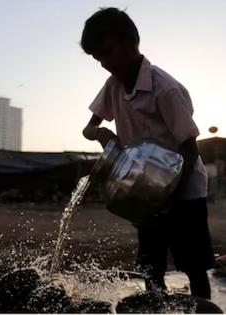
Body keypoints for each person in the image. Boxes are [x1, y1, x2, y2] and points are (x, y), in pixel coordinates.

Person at [81, 8, 215, 299]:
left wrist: (170, 198)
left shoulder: (163, 88)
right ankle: (156, 306)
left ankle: (203, 307)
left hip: (184, 191)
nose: (104, 64)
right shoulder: (113, 86)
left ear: (130, 42)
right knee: (150, 265)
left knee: (193, 265)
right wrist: (104, 136)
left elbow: (189, 147)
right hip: (143, 191)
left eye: (107, 52)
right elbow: (88, 129)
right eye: (97, 58)